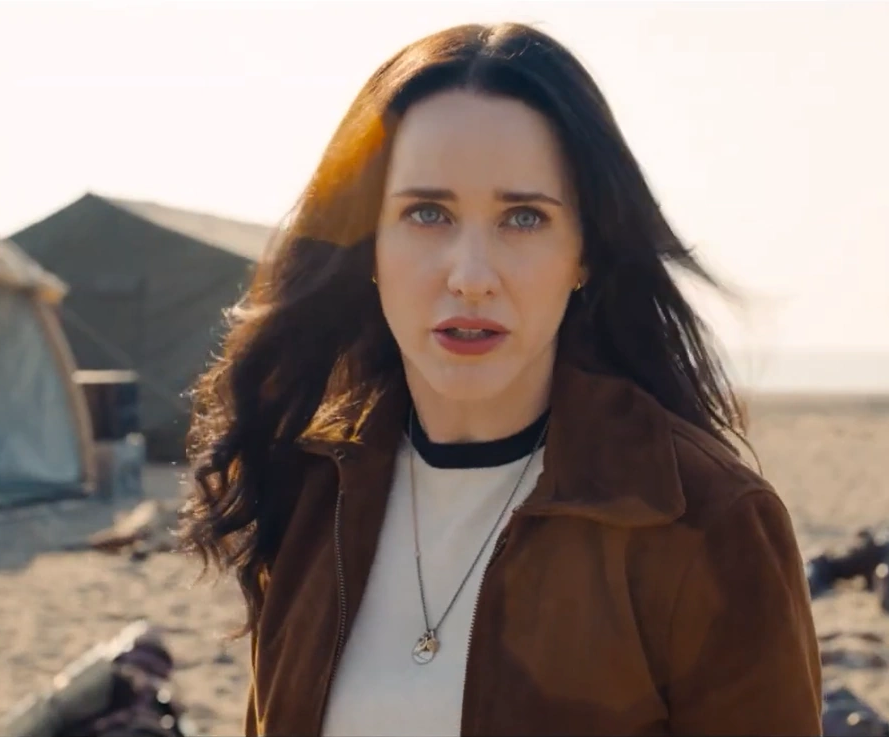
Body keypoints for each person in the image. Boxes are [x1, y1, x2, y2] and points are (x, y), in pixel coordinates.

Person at [180, 22, 822, 737]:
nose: (471, 276)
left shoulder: (706, 521)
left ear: (584, 253)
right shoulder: (309, 488)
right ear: (369, 244)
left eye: (523, 217)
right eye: (428, 213)